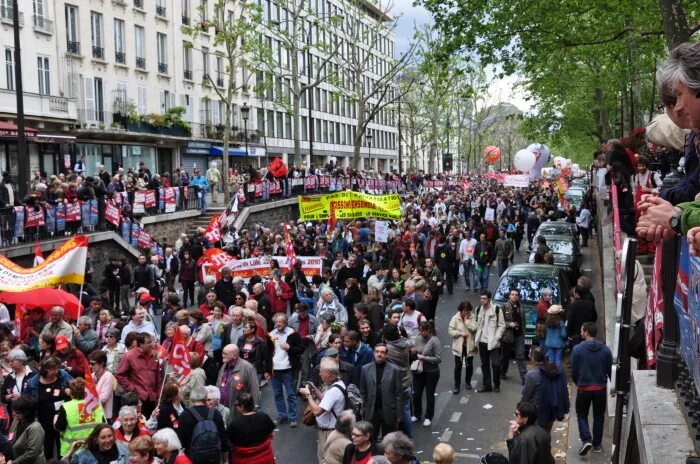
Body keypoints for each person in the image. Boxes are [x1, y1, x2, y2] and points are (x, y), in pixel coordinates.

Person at [571, 322, 612, 456]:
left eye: (582, 331)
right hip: (600, 388)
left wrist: (579, 383)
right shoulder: (605, 350)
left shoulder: (577, 349)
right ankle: (597, 444)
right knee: (599, 416)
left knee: (581, 414)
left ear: (587, 332)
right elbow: (610, 370)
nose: (580, 332)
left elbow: (574, 372)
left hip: (584, 388)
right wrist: (614, 388)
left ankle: (586, 439)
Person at [299, 358, 347, 463]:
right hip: (331, 430)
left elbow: (316, 411)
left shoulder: (333, 391)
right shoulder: (338, 383)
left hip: (329, 433)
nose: (319, 374)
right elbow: (326, 402)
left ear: (328, 374)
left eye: (321, 372)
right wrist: (315, 390)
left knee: (326, 460)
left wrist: (308, 395)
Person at [25, 356, 74, 459]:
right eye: (52, 369)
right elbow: (26, 401)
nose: (56, 371)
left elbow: (78, 387)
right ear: (44, 369)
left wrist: (72, 391)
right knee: (47, 449)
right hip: (44, 422)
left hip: (63, 419)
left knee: (64, 449)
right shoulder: (33, 382)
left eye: (57, 368)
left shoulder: (63, 375)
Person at [359, 343, 402, 442]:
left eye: (382, 352)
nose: (379, 354)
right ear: (374, 353)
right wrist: (365, 409)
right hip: (372, 410)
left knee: (389, 439)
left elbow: (398, 394)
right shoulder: (365, 369)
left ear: (386, 355)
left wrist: (399, 414)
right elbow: (363, 391)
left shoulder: (395, 370)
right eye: (377, 351)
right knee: (371, 438)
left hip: (389, 410)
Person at [520, 346, 569, 432]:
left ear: (534, 360)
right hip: (552, 410)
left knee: (536, 438)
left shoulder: (532, 375)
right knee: (546, 436)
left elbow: (526, 397)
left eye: (530, 356)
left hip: (538, 413)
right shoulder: (554, 369)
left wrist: (519, 411)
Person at [55, 378, 105, 457]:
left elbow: (60, 427)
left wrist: (55, 419)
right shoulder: (96, 405)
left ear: (71, 392)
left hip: (72, 452)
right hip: (93, 450)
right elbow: (103, 426)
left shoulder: (66, 407)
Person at [269, 313, 304, 427]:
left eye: (280, 322)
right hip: (274, 370)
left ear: (285, 322)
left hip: (288, 369)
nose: (277, 324)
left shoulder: (292, 333)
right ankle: (282, 416)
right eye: (276, 322)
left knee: (291, 394)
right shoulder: (271, 334)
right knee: (277, 394)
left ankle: (292, 417)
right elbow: (266, 352)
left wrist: (290, 348)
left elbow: (301, 348)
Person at [116, 333, 161, 417]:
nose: (152, 344)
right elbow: (120, 375)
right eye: (149, 342)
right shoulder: (129, 356)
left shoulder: (154, 355)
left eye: (152, 341)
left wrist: (158, 394)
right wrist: (132, 389)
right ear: (141, 344)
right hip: (137, 399)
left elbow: (158, 377)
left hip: (153, 398)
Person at [175, 387, 228, 458]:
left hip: (192, 457)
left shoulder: (184, 415)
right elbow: (223, 438)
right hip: (212, 457)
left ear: (191, 398)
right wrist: (225, 460)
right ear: (205, 398)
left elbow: (181, 441)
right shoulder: (216, 413)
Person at [227, 392, 276, 464]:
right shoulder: (264, 416)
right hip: (265, 458)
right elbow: (271, 434)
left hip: (244, 460)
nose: (235, 406)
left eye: (236, 405)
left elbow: (230, 443)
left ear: (242, 407)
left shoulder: (235, 424)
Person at [411, 321, 441, 427]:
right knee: (417, 394)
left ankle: (428, 416)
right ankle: (417, 414)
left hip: (431, 372)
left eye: (423, 331)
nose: (421, 333)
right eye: (420, 330)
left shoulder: (435, 341)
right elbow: (415, 351)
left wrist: (424, 358)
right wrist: (414, 352)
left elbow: (438, 359)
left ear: (428, 330)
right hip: (419, 371)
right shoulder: (418, 338)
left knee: (429, 395)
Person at [474, 290, 505, 393]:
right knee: (484, 364)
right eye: (481, 298)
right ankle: (487, 385)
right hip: (482, 341)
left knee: (496, 364)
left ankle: (497, 384)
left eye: (484, 298)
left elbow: (502, 325)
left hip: (493, 342)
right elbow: (477, 326)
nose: (482, 300)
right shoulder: (478, 309)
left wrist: (497, 338)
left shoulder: (496, 309)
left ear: (489, 299)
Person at [216, 344, 260, 414]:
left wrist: (255, 408)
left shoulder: (247, 367)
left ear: (234, 356)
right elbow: (218, 384)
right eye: (223, 353)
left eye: (226, 354)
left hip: (239, 411)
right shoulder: (224, 366)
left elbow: (254, 389)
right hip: (223, 409)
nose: (223, 355)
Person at [448, 301, 478, 393]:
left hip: (469, 346)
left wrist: (467, 322)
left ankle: (468, 382)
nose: (466, 312)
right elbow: (450, 330)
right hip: (458, 346)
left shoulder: (472, 317)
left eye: (467, 311)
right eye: (464, 311)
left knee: (469, 365)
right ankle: (457, 386)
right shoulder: (455, 318)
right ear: (461, 310)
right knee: (458, 366)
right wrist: (460, 333)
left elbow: (475, 328)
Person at [63, 424, 130, 464]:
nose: (108, 440)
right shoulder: (84, 455)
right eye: (103, 438)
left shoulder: (124, 448)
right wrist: (70, 453)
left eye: (110, 436)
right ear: (96, 440)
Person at [9, 395, 46, 464]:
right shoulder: (17, 420)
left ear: (27, 412)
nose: (14, 414)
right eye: (13, 410)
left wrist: (14, 463)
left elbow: (31, 454)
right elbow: (11, 437)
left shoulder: (36, 428)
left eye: (17, 412)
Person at [500, 288, 527, 384]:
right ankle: (502, 372)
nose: (514, 296)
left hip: (519, 335)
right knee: (505, 356)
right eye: (512, 294)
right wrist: (509, 324)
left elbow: (523, 320)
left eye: (516, 295)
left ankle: (524, 378)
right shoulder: (504, 306)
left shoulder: (521, 306)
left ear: (518, 296)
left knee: (520, 356)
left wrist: (523, 331)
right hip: (507, 335)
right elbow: (500, 321)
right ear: (509, 296)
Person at [89, 350, 116, 422]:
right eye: (90, 363)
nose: (90, 366)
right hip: (93, 415)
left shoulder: (108, 376)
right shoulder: (92, 375)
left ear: (101, 364)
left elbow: (103, 398)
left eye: (93, 364)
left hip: (105, 416)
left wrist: (89, 401)